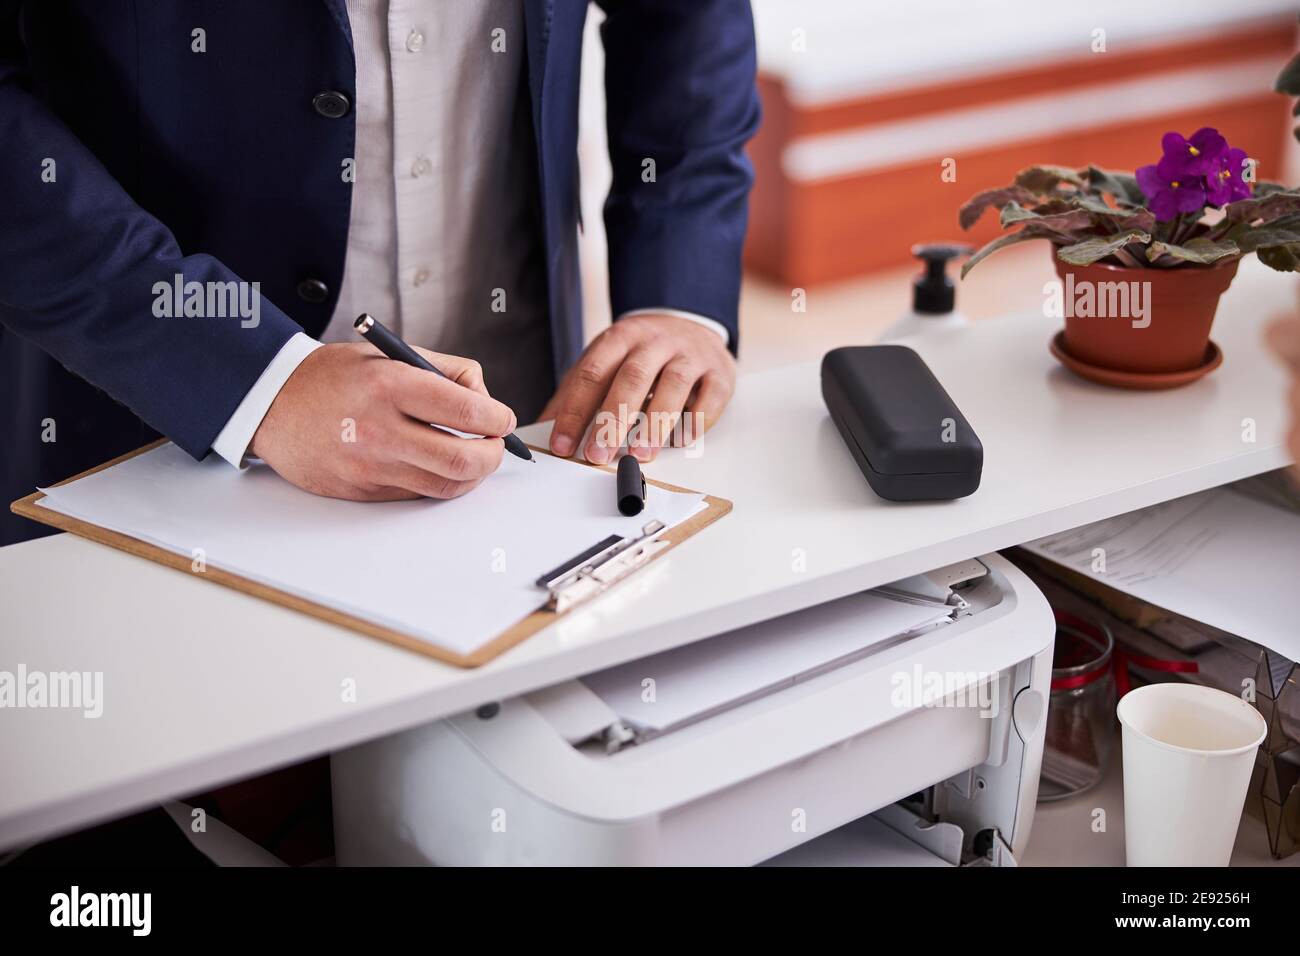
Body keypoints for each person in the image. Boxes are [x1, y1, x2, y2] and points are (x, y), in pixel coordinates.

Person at [0, 0, 760, 544]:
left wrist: (676, 295)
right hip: (148, 425)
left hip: (531, 419)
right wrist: (253, 379)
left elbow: (684, 19)